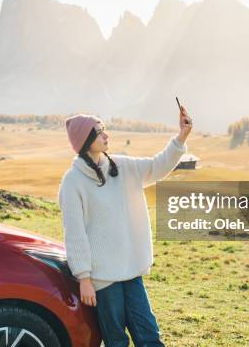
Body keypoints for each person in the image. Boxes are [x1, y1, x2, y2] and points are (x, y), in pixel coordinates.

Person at [58, 106, 193, 346]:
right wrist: (84, 278)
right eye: (99, 132)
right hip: (102, 278)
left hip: (131, 271)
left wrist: (181, 136)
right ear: (85, 140)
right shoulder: (72, 182)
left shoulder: (121, 166)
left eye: (104, 130)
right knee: (116, 340)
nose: (106, 135)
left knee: (149, 336)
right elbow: (75, 233)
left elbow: (157, 166)